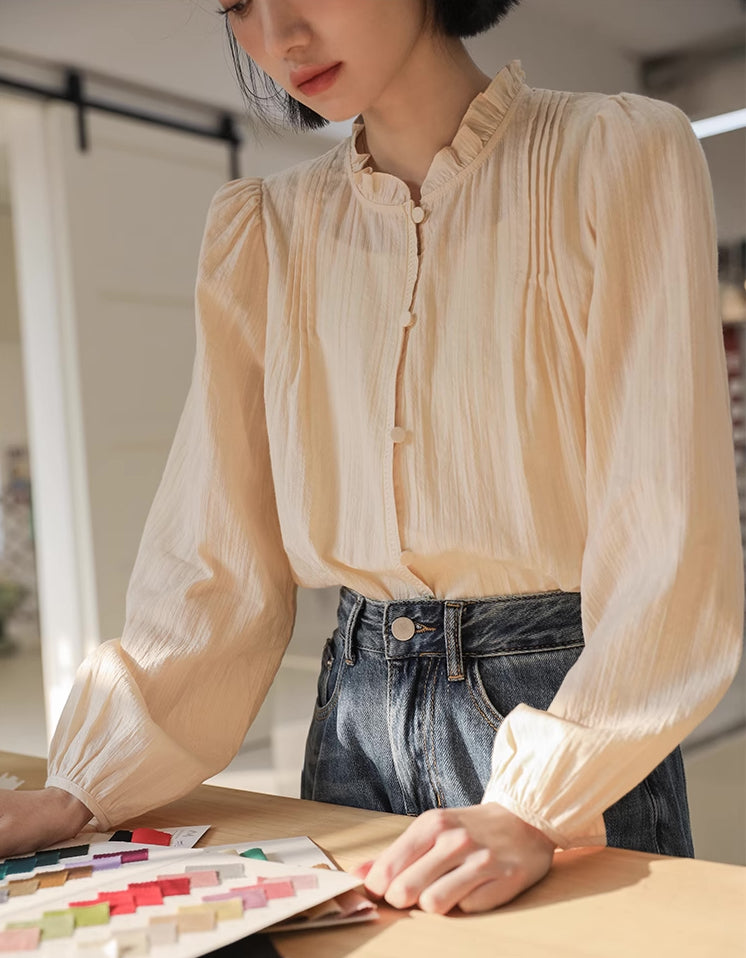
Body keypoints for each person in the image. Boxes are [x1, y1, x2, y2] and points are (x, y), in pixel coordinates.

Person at [1, 0, 742, 917]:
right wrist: (81, 785)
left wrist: (536, 802)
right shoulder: (265, 233)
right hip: (350, 719)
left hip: (559, 719)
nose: (278, 37)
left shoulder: (618, 156)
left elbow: (668, 535)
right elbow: (216, 559)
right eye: (239, 6)